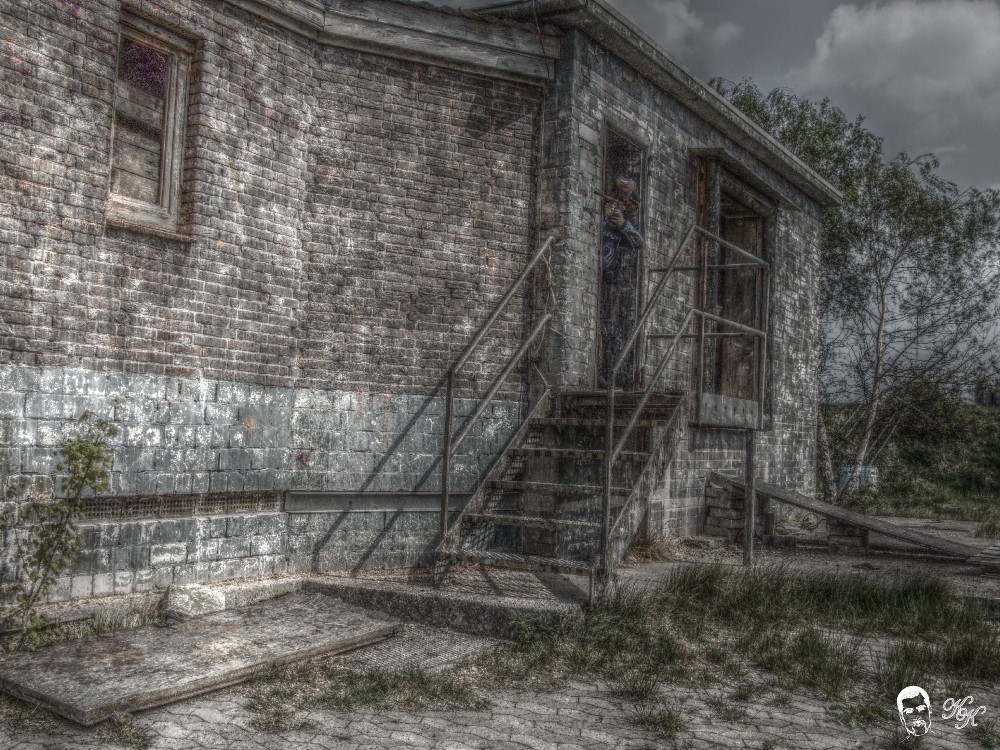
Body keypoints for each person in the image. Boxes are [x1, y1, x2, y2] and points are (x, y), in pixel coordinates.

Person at [599, 195, 643, 389]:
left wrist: (623, 225)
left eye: (617, 206)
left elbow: (638, 243)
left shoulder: (619, 227)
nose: (613, 209)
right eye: (610, 205)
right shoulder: (597, 222)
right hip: (596, 281)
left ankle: (608, 376)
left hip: (615, 284)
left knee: (613, 332)